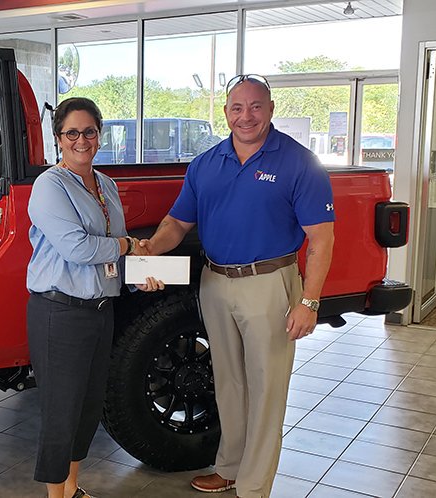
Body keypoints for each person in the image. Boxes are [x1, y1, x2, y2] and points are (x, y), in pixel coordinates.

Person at [140, 74, 335, 498]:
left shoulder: (299, 162)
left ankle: (253, 486)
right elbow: (177, 223)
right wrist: (151, 248)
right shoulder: (206, 164)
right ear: (226, 112)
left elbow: (322, 239)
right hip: (216, 282)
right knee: (228, 381)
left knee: (266, 387)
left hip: (269, 283)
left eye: (255, 106)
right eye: (237, 108)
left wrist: (309, 302)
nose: (246, 116)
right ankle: (229, 467)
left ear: (271, 109)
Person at [26, 97, 162, 498]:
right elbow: (79, 248)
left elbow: (111, 252)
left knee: (87, 408)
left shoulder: (106, 184)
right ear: (58, 138)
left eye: (89, 131)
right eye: (72, 133)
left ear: (100, 136)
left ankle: (71, 488)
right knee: (61, 411)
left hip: (100, 310)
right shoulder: (49, 186)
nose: (81, 140)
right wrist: (128, 245)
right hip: (60, 312)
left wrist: (136, 280)